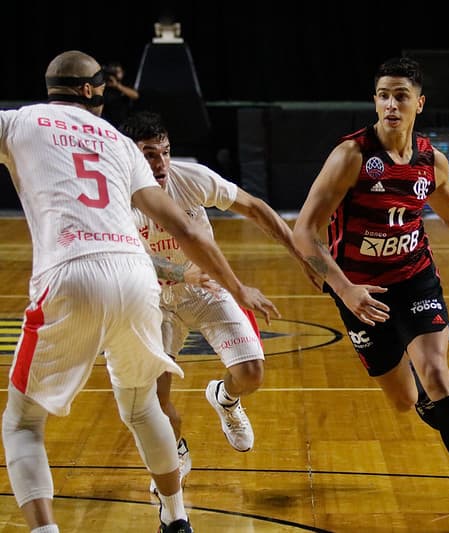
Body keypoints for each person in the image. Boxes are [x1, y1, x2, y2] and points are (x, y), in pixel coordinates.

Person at [0, 50, 280, 533]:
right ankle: (176, 518)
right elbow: (187, 232)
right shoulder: (118, 141)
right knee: (142, 403)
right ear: (91, 91)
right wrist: (237, 284)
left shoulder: (18, 121)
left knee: (23, 423)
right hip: (136, 277)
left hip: (70, 271)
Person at [292, 57, 449, 533]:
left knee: (436, 368)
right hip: (361, 290)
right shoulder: (351, 156)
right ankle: (431, 403)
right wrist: (344, 289)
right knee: (403, 398)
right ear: (375, 101)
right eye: (383, 95)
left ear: (419, 103)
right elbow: (303, 232)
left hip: (415, 278)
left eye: (401, 96)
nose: (391, 104)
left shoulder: (430, 162)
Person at [118, 111, 321, 493]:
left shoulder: (189, 178)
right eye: (149, 155)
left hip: (204, 287)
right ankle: (176, 450)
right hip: (152, 299)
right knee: (156, 404)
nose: (160, 164)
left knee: (251, 374)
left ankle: (224, 399)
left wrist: (301, 258)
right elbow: (128, 258)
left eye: (164, 152)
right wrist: (181, 274)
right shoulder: (116, 197)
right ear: (130, 155)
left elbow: (255, 208)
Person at [101, 60, 139, 127]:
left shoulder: (125, 83)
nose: (115, 74)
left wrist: (117, 85)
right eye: (113, 72)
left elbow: (135, 95)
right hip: (104, 118)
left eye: (118, 72)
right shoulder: (104, 82)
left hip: (120, 120)